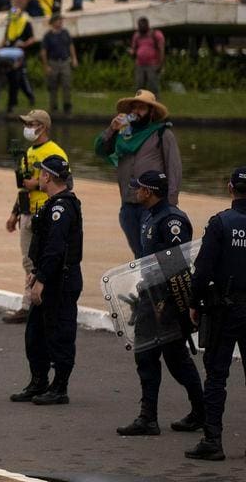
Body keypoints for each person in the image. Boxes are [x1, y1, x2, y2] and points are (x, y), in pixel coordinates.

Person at [115, 171, 204, 437]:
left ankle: (200, 411)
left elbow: (176, 265)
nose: (136, 192)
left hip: (165, 300)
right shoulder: (148, 215)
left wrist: (165, 300)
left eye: (140, 188)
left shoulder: (172, 220)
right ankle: (148, 417)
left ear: (150, 191)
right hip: (148, 296)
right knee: (145, 356)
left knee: (176, 359)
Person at [184, 167, 246, 461]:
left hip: (225, 308)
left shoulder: (221, 223)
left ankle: (213, 440)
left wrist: (193, 302)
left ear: (230, 188)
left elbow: (203, 269)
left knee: (217, 376)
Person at [10, 155, 82, 406]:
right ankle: (38, 381)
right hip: (47, 274)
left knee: (60, 332)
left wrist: (41, 279)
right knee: (36, 333)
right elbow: (42, 246)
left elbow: (55, 248)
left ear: (48, 176)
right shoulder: (52, 204)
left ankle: (59, 386)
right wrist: (35, 271)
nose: (38, 177)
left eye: (41, 173)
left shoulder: (62, 207)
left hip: (60, 279)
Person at [94, 89, 182, 258]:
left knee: (155, 254)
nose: (136, 112)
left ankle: (158, 284)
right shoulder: (123, 134)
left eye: (141, 108)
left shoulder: (162, 133)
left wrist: (170, 206)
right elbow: (101, 149)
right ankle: (145, 283)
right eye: (133, 107)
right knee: (139, 254)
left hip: (154, 207)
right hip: (128, 205)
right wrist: (112, 129)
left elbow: (174, 170)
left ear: (151, 112)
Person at [2, 109, 68, 325]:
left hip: (45, 211)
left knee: (44, 258)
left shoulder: (54, 151)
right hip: (27, 212)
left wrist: (38, 181)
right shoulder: (28, 152)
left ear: (43, 126)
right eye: (27, 123)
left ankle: (38, 302)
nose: (28, 128)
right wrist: (14, 213)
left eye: (31, 124)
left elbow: (64, 180)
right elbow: (23, 186)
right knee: (28, 260)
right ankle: (29, 303)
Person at [41, 14, 77, 115]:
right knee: (53, 86)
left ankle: (67, 106)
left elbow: (70, 46)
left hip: (65, 61)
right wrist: (46, 65)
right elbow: (44, 51)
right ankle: (54, 107)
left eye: (61, 20)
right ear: (53, 22)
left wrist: (74, 58)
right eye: (58, 20)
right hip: (53, 62)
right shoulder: (48, 36)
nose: (61, 22)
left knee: (67, 84)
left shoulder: (65, 33)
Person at [130, 17, 164, 96]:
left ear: (147, 25)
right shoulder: (137, 35)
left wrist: (160, 64)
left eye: (142, 25)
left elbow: (161, 50)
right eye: (139, 25)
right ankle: (139, 102)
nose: (141, 27)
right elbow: (134, 49)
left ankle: (155, 103)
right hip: (140, 64)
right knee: (139, 85)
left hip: (152, 64)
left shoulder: (155, 34)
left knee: (153, 86)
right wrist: (132, 53)